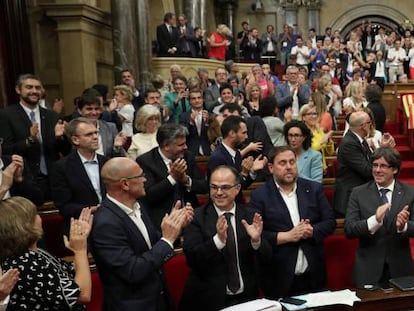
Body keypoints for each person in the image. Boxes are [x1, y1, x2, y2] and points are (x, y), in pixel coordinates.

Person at [90, 157, 193, 311]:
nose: (145, 179)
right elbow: (133, 270)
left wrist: (174, 226)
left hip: (158, 300)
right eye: (140, 176)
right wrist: (167, 239)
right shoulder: (105, 223)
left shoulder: (138, 206)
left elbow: (151, 249)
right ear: (125, 184)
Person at [180, 165, 272, 310]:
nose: (219, 192)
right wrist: (218, 241)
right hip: (208, 301)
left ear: (237, 189)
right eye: (214, 187)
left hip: (246, 299)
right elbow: (192, 259)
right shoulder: (197, 217)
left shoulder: (250, 215)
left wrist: (256, 241)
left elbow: (267, 257)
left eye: (225, 187)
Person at [250, 146, 335, 298]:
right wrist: (287, 236)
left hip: (313, 275)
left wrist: (312, 230)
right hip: (279, 277)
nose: (289, 167)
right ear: (271, 168)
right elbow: (257, 236)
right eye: (282, 163)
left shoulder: (313, 189)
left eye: (292, 162)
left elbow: (330, 222)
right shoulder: (260, 196)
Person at [0, 196, 92, 310]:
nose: (39, 218)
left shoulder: (36, 253)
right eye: (35, 215)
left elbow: (72, 275)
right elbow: (82, 295)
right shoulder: (25, 264)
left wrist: (79, 243)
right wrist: (80, 250)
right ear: (26, 226)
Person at [345, 147, 414, 288]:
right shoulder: (358, 193)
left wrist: (404, 226)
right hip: (368, 271)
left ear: (394, 169)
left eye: (383, 166)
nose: (377, 170)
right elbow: (349, 229)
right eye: (375, 165)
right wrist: (374, 221)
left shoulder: (410, 192)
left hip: (400, 270)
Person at [0, 74, 70, 201]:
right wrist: (30, 140)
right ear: (18, 89)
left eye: (38, 88)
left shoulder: (52, 116)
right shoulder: (6, 115)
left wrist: (61, 138)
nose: (34, 91)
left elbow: (65, 151)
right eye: (29, 87)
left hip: (52, 180)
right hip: (24, 181)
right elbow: (6, 150)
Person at [137, 123, 208, 228]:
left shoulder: (188, 156)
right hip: (162, 220)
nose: (186, 147)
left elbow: (204, 187)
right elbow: (149, 196)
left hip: (190, 217)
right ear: (166, 146)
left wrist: (186, 180)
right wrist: (172, 178)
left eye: (185, 143)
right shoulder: (146, 161)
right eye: (181, 145)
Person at [51, 118, 108, 236]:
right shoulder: (61, 168)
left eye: (96, 133)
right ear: (75, 140)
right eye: (89, 134)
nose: (95, 137)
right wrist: (90, 210)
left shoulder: (107, 163)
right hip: (81, 228)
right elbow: (64, 205)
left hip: (110, 224)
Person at [334, 111, 394, 217]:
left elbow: (370, 161)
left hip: (361, 192)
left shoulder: (359, 139)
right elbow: (367, 170)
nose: (371, 125)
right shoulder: (350, 143)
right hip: (351, 198)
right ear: (364, 126)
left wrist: (382, 148)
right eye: (369, 122)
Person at [207, 115, 268, 203]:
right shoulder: (218, 158)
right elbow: (225, 190)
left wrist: (252, 171)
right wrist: (243, 173)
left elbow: (241, 186)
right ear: (232, 133)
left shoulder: (236, 154)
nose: (246, 137)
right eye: (243, 133)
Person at [77, 89, 126, 158]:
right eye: (89, 109)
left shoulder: (110, 128)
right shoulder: (73, 128)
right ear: (80, 111)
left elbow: (119, 158)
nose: (94, 113)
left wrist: (117, 148)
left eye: (97, 109)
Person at [179, 89, 211, 156]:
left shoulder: (210, 115)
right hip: (190, 151)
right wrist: (191, 122)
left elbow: (214, 136)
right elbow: (181, 135)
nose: (197, 100)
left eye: (199, 98)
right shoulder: (183, 116)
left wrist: (208, 123)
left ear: (203, 100)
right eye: (193, 98)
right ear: (189, 101)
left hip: (208, 150)